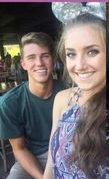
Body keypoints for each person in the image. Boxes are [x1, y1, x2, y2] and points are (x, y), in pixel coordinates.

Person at [43, 9, 106, 178]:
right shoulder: (62, 99)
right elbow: (51, 162)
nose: (79, 65)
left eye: (92, 51)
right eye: (71, 54)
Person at [0, 32, 65, 179]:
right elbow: (19, 149)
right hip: (32, 157)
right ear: (23, 64)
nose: (40, 63)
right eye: (31, 58)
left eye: (45, 56)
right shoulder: (9, 103)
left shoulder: (68, 91)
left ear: (53, 59)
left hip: (66, 152)